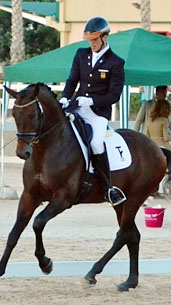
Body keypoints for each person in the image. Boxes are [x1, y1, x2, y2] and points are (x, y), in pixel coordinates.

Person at [59, 17, 126, 206]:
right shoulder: (81, 54)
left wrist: (92, 100)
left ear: (105, 38)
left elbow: (114, 95)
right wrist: (65, 97)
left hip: (98, 113)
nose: (92, 44)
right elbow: (72, 80)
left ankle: (108, 188)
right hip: (77, 107)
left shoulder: (115, 62)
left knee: (96, 143)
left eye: (95, 40)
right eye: (90, 41)